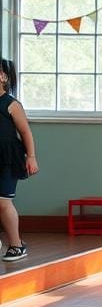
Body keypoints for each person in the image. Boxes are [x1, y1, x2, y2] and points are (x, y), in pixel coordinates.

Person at [0, 57, 37, 263]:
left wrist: (31, 156)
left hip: (7, 158)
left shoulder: (11, 104)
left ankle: (16, 244)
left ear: (3, 77)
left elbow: (25, 132)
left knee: (3, 202)